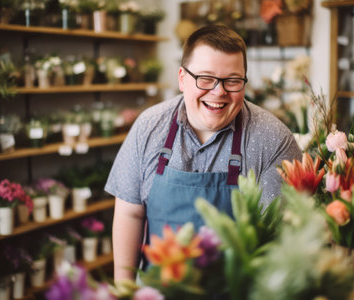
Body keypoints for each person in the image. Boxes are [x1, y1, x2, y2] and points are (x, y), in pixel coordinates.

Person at [105, 24, 302, 282]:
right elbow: (130, 213)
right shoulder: (149, 127)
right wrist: (125, 289)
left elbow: (276, 239)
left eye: (232, 81)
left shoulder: (272, 139)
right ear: (182, 78)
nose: (219, 91)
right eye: (205, 78)